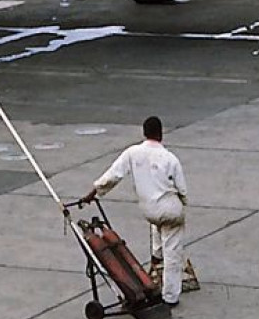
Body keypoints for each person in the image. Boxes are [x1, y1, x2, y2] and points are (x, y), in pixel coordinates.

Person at [81, 115, 192, 306]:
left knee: (157, 225)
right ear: (161, 134)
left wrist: (93, 193)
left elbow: (112, 176)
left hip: (149, 209)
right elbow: (182, 190)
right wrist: (181, 204)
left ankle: (156, 257)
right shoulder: (169, 158)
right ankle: (170, 296)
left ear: (144, 133)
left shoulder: (132, 153)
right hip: (169, 208)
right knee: (172, 250)